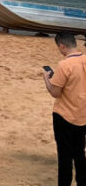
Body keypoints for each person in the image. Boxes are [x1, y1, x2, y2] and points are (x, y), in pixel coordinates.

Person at [43, 33, 86, 186]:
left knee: (65, 155)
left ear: (62, 46)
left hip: (65, 115)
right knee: (80, 152)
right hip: (82, 115)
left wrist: (47, 79)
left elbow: (55, 92)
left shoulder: (64, 65)